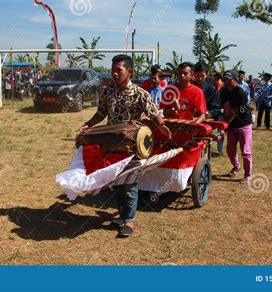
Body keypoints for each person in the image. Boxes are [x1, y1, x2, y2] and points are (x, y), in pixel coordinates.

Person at [80, 55, 171, 237]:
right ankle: (122, 216)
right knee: (117, 182)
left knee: (129, 182)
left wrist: (162, 126)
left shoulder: (140, 93)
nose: (114, 73)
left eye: (118, 70)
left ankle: (129, 220)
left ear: (129, 72)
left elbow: (153, 112)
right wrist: (88, 125)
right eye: (112, 70)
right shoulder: (107, 92)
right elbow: (101, 113)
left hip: (132, 144)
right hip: (111, 143)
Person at [220, 70, 253, 182]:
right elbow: (223, 108)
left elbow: (233, 112)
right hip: (232, 125)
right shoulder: (223, 91)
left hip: (244, 124)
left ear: (235, 80)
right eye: (224, 80)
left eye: (229, 80)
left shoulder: (240, 92)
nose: (226, 82)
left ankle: (248, 175)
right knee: (230, 149)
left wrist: (224, 125)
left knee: (246, 151)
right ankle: (236, 166)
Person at [193, 62, 224, 155]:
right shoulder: (190, 87)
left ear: (206, 74)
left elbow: (215, 109)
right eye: (197, 75)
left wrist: (207, 114)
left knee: (203, 150)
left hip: (204, 123)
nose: (199, 78)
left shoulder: (211, 89)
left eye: (202, 75)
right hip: (190, 122)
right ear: (193, 74)